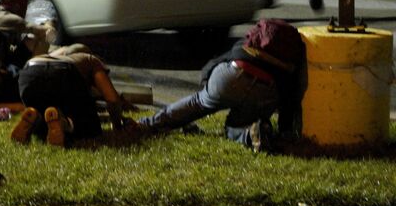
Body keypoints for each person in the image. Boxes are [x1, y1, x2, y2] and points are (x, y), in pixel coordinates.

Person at [130, 19, 306, 153]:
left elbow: (216, 62)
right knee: (236, 125)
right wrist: (285, 132)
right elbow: (289, 99)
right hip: (264, 89)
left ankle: (147, 124)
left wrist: (207, 85)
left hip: (232, 75)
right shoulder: (293, 60)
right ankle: (249, 134)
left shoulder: (246, 43)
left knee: (198, 102)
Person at [11, 46, 137, 147]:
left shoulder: (52, 54)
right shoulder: (89, 58)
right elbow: (112, 98)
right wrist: (118, 125)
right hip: (64, 73)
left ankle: (35, 117)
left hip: (29, 73)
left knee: (46, 114)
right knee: (90, 126)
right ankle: (64, 123)